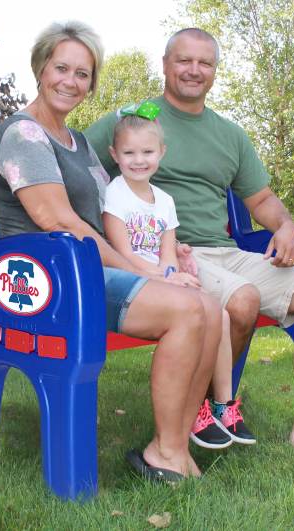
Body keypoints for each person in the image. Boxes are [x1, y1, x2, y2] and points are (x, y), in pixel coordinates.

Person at [85, 28, 294, 455]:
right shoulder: (134, 122)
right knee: (242, 300)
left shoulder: (230, 134)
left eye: (205, 62)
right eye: (184, 60)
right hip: (173, 254)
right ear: (165, 64)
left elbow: (262, 199)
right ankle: (204, 408)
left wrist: (285, 225)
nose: (193, 70)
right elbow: (74, 162)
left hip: (227, 251)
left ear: (215, 71)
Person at [0, 20, 227, 481]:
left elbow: (110, 214)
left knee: (211, 309)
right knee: (186, 310)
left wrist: (164, 253)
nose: (71, 81)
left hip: (85, 267)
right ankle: (167, 452)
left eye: (83, 74)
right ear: (41, 69)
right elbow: (58, 221)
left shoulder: (76, 142)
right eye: (61, 68)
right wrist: (144, 274)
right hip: (45, 278)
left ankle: (173, 446)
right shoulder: (24, 134)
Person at [103, 108, 256, 448]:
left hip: (162, 277)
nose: (138, 160)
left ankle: (222, 404)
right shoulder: (115, 193)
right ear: (114, 155)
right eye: (129, 152)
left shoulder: (165, 201)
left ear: (161, 153)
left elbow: (168, 251)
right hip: (133, 277)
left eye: (147, 151)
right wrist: (165, 278)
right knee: (199, 311)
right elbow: (123, 253)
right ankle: (195, 409)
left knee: (220, 314)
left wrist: (174, 274)